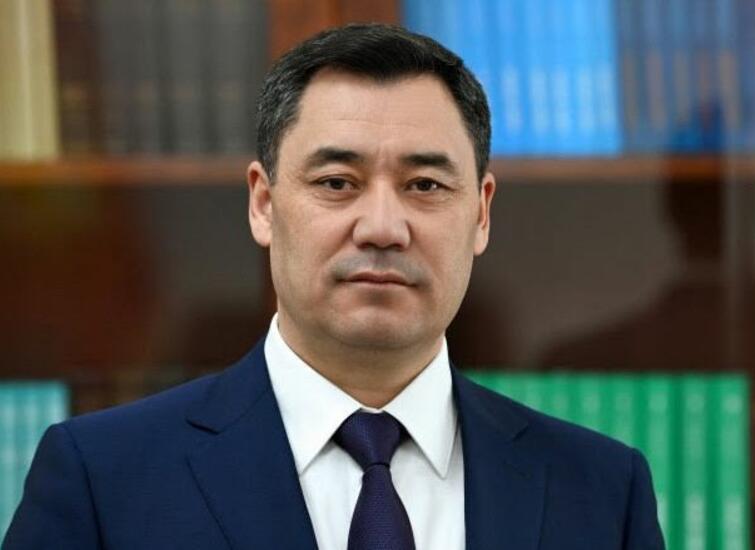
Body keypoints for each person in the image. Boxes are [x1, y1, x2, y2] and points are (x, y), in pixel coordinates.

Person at [3, 24, 665, 550]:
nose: (382, 228)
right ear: (263, 204)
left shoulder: (603, 492)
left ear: (482, 213)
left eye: (425, 185)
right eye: (336, 183)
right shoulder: (102, 478)